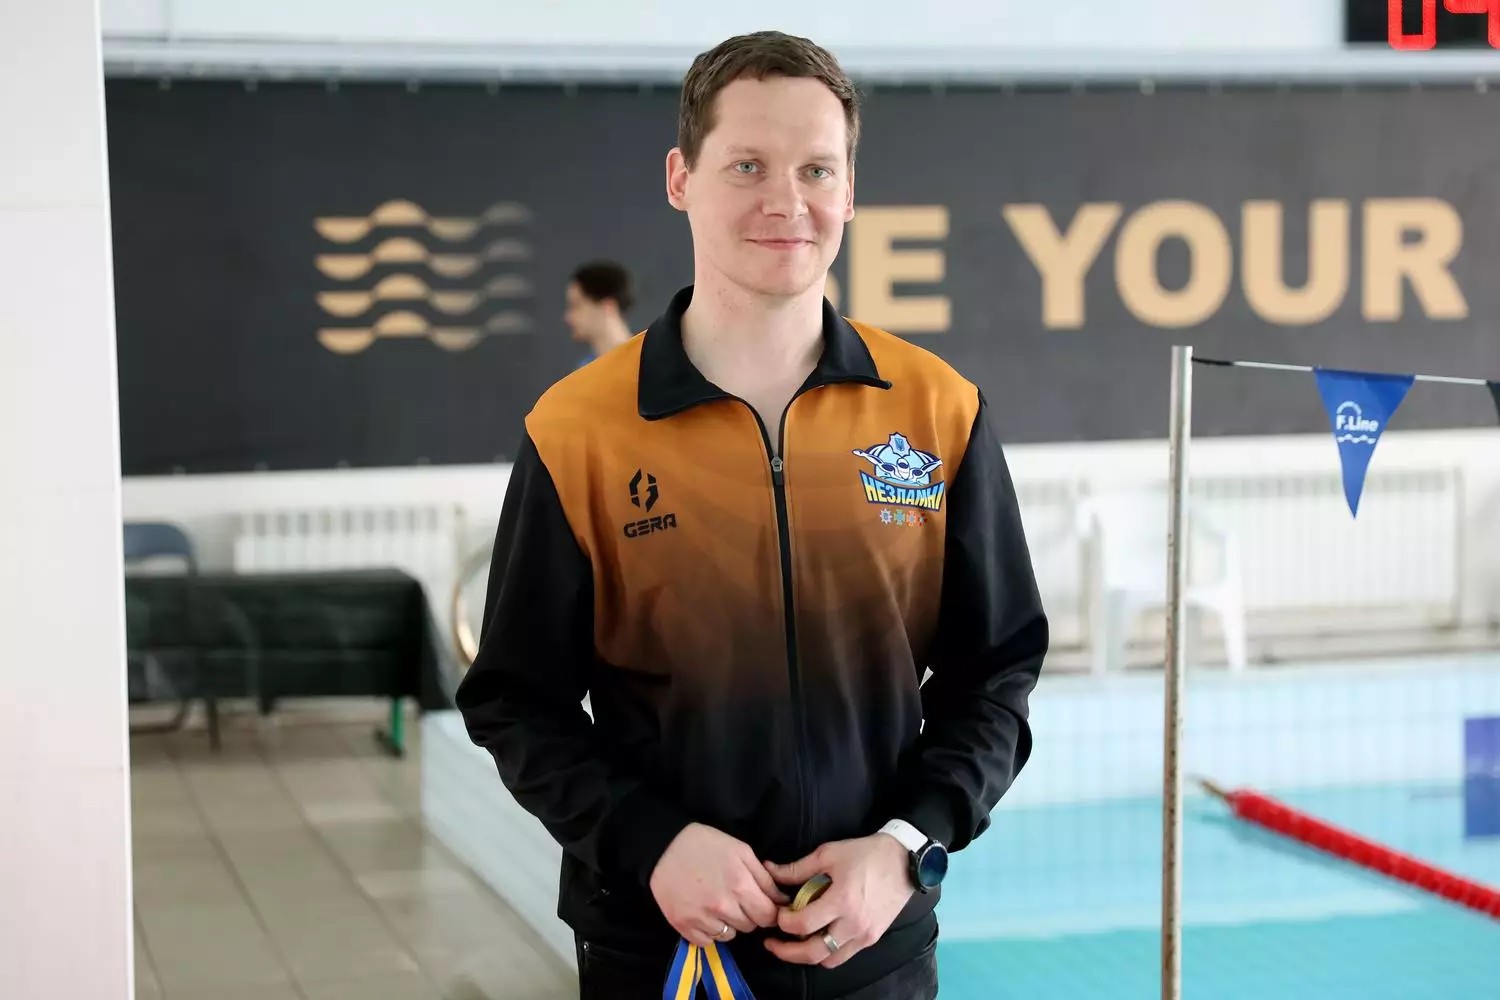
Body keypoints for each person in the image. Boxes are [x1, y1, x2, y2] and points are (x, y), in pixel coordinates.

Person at [456, 29, 1048, 1000]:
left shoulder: (937, 411)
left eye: (816, 168)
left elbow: (996, 672)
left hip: (874, 942)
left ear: (849, 191)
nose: (786, 200)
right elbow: (516, 700)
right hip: (660, 945)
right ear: (680, 178)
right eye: (747, 165)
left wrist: (907, 845)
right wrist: (652, 842)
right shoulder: (580, 429)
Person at [563, 259, 635, 366]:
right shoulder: (585, 370)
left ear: (608, 307)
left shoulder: (647, 363)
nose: (568, 317)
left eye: (576, 305)